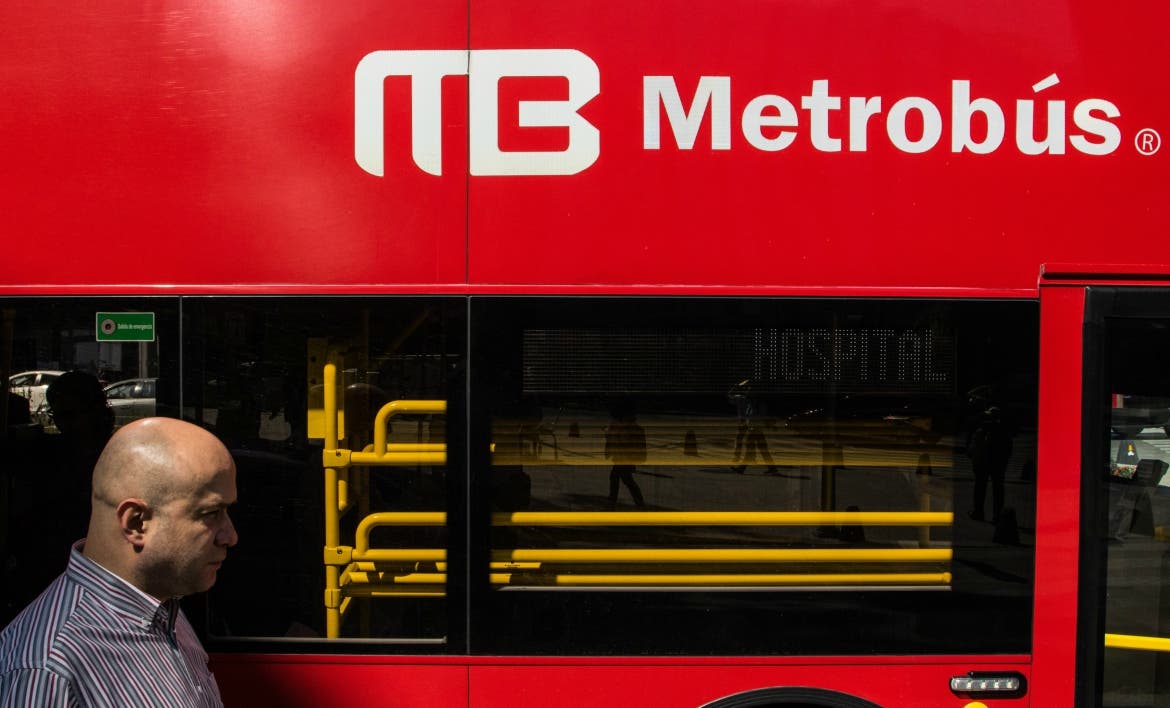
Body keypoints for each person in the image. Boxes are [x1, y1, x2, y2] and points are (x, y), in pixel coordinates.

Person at [0, 417, 238, 707]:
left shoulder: (162, 605)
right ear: (136, 522)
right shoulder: (46, 671)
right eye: (211, 514)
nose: (230, 536)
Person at [605, 403, 646, 507]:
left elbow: (623, 441)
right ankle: (637, 501)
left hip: (625, 459)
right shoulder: (627, 427)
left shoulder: (628, 428)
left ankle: (614, 499)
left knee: (622, 479)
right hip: (623, 458)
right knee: (622, 478)